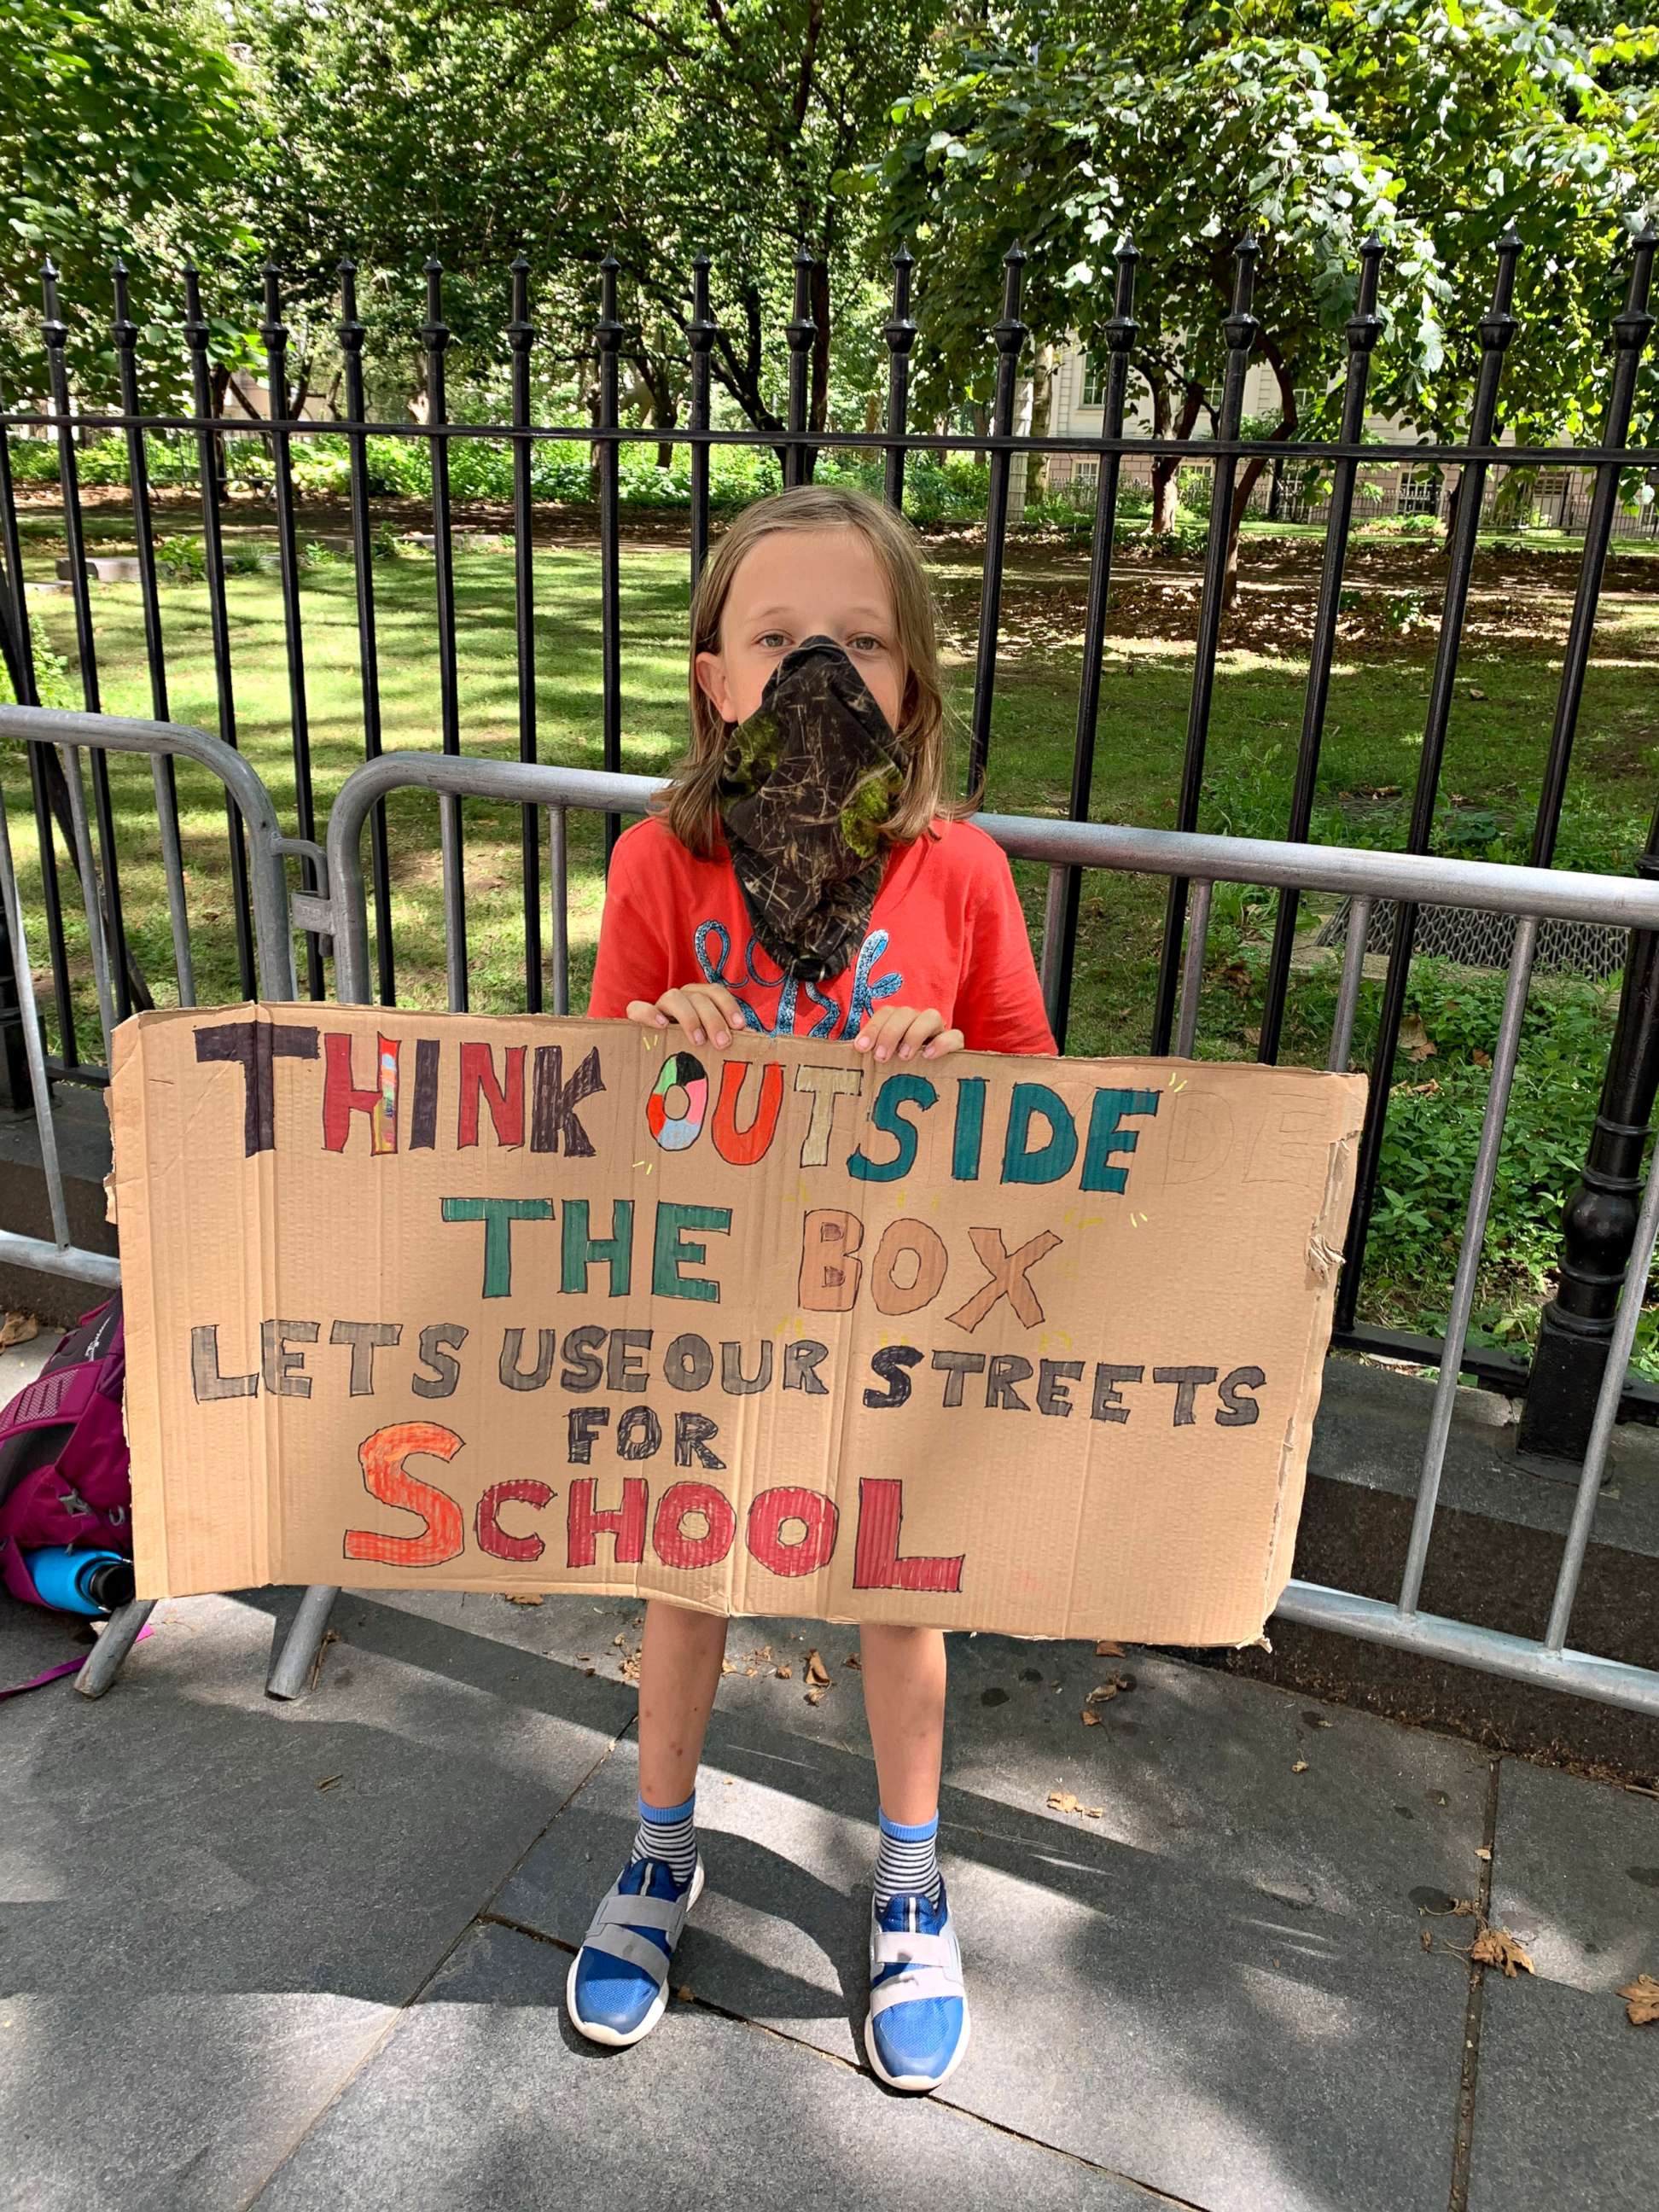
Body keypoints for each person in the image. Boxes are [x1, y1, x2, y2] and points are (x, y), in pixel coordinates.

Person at [567, 483, 1056, 2093]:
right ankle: (658, 1849)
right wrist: (663, 1051)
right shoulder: (660, 864)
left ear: (910, 682)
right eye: (776, 640)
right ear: (715, 674)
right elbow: (601, 1090)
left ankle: (910, 1876)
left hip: (893, 1316)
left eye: (855, 642)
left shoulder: (961, 877)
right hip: (716, 1312)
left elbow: (1040, 1103)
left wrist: (957, 1065)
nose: (815, 675)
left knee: (896, 1597)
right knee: (684, 1571)